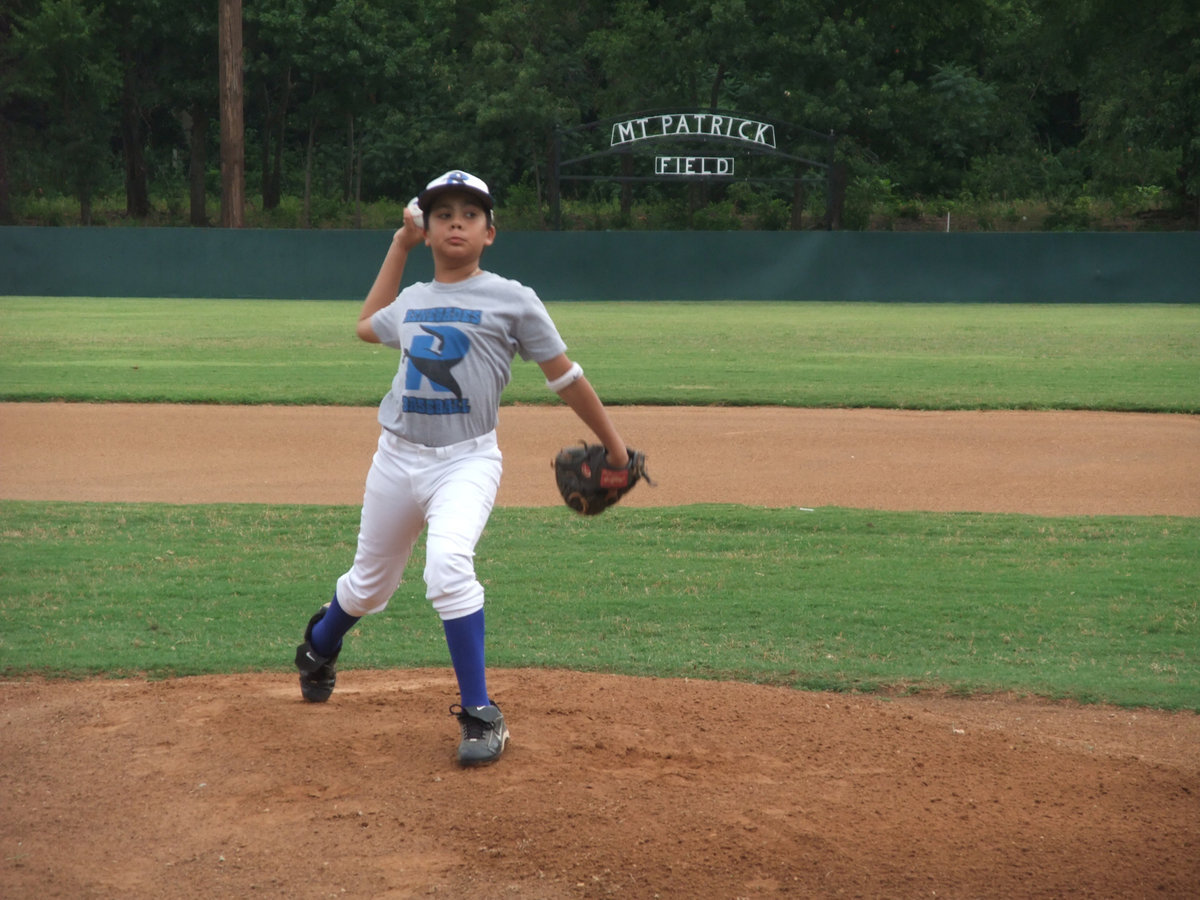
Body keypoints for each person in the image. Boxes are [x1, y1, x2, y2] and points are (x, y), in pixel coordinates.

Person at [294, 170, 633, 767]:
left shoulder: (513, 299)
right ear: (427, 229)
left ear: (490, 232)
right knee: (369, 588)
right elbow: (365, 324)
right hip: (396, 459)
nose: (455, 221)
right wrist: (398, 245)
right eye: (442, 212)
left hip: (467, 462)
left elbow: (564, 377)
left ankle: (481, 714)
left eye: (469, 214)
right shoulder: (414, 301)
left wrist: (617, 447)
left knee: (448, 566)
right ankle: (319, 645)